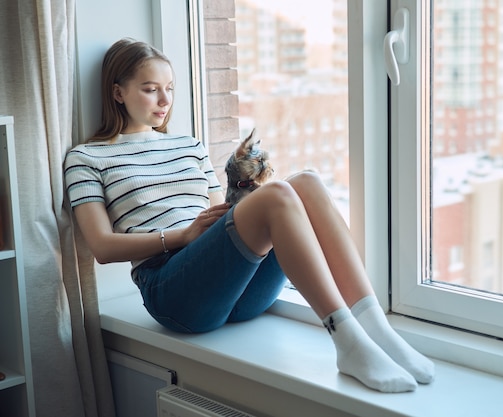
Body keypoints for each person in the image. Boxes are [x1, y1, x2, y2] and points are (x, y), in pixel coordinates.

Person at [64, 38, 435, 393]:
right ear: (118, 93)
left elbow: (219, 215)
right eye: (150, 89)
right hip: (173, 293)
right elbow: (102, 246)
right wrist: (183, 236)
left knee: (304, 182)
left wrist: (245, 197)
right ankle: (348, 342)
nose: (165, 100)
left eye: (170, 88)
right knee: (277, 196)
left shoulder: (189, 146)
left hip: (235, 289)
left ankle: (376, 330)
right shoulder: (87, 158)